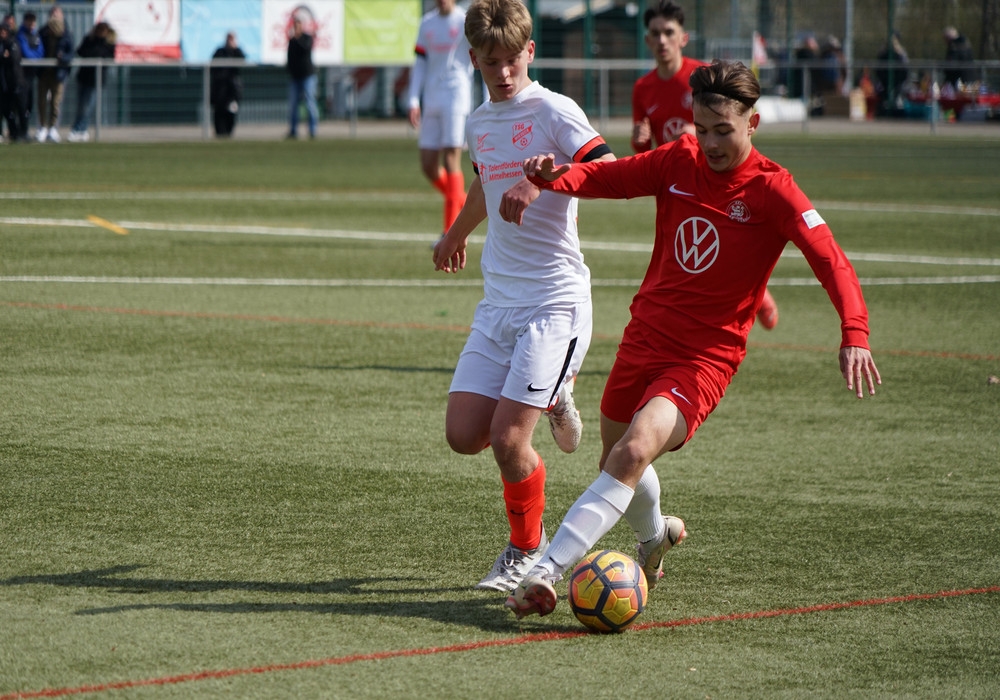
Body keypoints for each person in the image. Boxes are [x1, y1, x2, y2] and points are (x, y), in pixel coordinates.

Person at [505, 59, 881, 620]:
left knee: (634, 449)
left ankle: (545, 571)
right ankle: (654, 536)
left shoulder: (774, 190)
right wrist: (555, 177)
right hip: (644, 337)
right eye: (701, 129)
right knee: (616, 457)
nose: (709, 143)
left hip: (704, 359)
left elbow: (831, 259)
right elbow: (611, 178)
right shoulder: (679, 159)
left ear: (753, 122)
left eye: (723, 130)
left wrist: (855, 331)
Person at [432, 0, 616, 593]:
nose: (504, 72)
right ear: (474, 60)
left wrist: (542, 181)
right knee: (464, 434)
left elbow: (611, 170)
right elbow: (485, 184)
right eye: (491, 62)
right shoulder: (479, 122)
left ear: (530, 52)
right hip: (498, 304)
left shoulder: (555, 110)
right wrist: (456, 233)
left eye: (513, 59)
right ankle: (554, 392)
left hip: (554, 303)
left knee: (510, 441)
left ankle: (525, 552)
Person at [632, 1, 778, 329]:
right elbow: (644, 146)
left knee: (720, 243)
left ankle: (755, 292)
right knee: (684, 255)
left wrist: (695, 133)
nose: (662, 40)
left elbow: (733, 124)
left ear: (683, 38)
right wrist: (639, 139)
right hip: (674, 182)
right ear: (647, 40)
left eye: (669, 32)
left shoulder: (702, 78)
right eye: (655, 33)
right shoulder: (642, 88)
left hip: (713, 177)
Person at [407, 0, 474, 235]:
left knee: (451, 158)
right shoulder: (427, 23)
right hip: (432, 98)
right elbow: (420, 63)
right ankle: (464, 201)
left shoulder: (465, 21)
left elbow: (480, 55)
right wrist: (413, 99)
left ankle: (449, 232)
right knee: (428, 165)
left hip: (456, 96)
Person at [68, 21, 115, 143]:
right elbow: (81, 52)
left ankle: (81, 129)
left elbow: (108, 57)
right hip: (84, 77)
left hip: (96, 80)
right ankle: (77, 129)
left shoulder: (109, 44)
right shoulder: (89, 40)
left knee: (87, 106)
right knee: (80, 105)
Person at [36, 5, 74, 143]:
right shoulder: (43, 32)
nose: (55, 17)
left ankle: (53, 128)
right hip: (44, 73)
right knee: (41, 101)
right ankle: (42, 127)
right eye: (53, 14)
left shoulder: (66, 33)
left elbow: (71, 54)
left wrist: (62, 58)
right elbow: (37, 50)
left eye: (57, 14)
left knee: (55, 102)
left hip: (58, 74)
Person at [285, 14, 317, 139]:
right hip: (295, 77)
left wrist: (297, 38)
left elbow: (305, 49)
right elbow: (290, 57)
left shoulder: (306, 38)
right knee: (293, 105)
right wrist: (289, 70)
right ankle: (293, 130)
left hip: (307, 76)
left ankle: (312, 130)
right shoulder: (292, 41)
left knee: (310, 103)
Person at [210, 32, 246, 138]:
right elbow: (213, 68)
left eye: (232, 38)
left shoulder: (237, 52)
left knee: (231, 112)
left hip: (232, 91)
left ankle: (229, 133)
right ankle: (219, 133)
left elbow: (242, 60)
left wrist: (235, 48)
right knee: (219, 113)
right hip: (220, 90)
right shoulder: (219, 52)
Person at [0, 19, 28, 143]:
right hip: (5, 83)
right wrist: (3, 56)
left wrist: (6, 56)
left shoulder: (13, 43)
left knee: (21, 108)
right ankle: (14, 132)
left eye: (4, 31)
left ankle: (23, 133)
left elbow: (14, 59)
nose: (2, 33)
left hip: (16, 82)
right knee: (7, 110)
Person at [15, 11, 42, 138]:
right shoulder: (21, 35)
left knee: (29, 103)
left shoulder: (36, 35)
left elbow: (41, 52)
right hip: (21, 74)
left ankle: (24, 130)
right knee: (22, 103)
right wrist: (34, 58)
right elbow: (25, 52)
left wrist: (35, 59)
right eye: (29, 21)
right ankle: (22, 130)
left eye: (33, 22)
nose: (31, 24)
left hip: (32, 75)